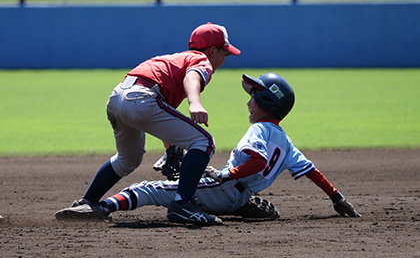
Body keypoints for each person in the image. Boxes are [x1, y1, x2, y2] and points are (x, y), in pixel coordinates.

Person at [55, 73, 360, 222]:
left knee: (149, 188)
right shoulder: (286, 141)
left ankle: (100, 207)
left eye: (254, 96)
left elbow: (256, 161)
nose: (248, 101)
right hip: (239, 193)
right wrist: (337, 198)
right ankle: (239, 206)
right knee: (202, 180)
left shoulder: (258, 129)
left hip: (226, 189)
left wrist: (227, 177)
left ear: (268, 102)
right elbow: (313, 172)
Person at [54, 22, 241, 226]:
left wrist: (171, 147)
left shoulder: (175, 60)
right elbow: (192, 77)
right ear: (213, 50)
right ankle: (182, 205)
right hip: (142, 98)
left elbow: (163, 114)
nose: (225, 58)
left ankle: (86, 203)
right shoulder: (200, 60)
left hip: (118, 98)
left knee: (128, 160)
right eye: (225, 53)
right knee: (204, 142)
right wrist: (195, 103)